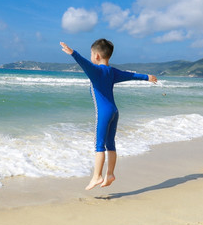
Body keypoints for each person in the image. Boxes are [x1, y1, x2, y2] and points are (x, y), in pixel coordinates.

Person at [60, 39, 158, 190]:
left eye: (92, 54)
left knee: (99, 145)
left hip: (104, 113)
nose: (91, 57)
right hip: (114, 112)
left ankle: (97, 176)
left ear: (97, 55)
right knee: (110, 144)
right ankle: (110, 174)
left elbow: (83, 63)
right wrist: (147, 77)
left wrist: (73, 53)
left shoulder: (96, 71)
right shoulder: (113, 72)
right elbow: (130, 75)